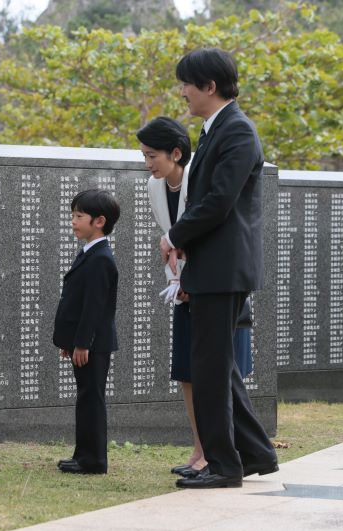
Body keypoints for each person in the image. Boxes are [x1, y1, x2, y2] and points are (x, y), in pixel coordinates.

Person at [159, 48, 278, 489]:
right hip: (212, 265)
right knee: (219, 365)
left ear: (210, 86)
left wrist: (175, 236)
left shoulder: (238, 132)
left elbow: (218, 202)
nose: (183, 92)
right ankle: (256, 453)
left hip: (224, 268)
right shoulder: (216, 131)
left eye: (187, 84)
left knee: (209, 368)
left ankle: (225, 467)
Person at [136, 116, 255, 479]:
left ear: (175, 153)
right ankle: (201, 449)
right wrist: (177, 280)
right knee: (189, 373)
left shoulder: (197, 180)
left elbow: (202, 231)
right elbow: (169, 238)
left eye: (152, 155)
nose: (147, 163)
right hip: (183, 289)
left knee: (217, 374)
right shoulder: (154, 188)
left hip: (212, 283)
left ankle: (225, 452)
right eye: (143, 155)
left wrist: (190, 275)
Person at [53, 189, 120, 475]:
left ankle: (94, 460)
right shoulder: (89, 253)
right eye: (73, 215)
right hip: (84, 344)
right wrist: (71, 341)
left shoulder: (101, 258)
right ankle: (83, 455)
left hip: (93, 344)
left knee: (92, 398)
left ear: (99, 221)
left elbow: (94, 308)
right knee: (85, 397)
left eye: (79, 216)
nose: (73, 221)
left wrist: (83, 343)